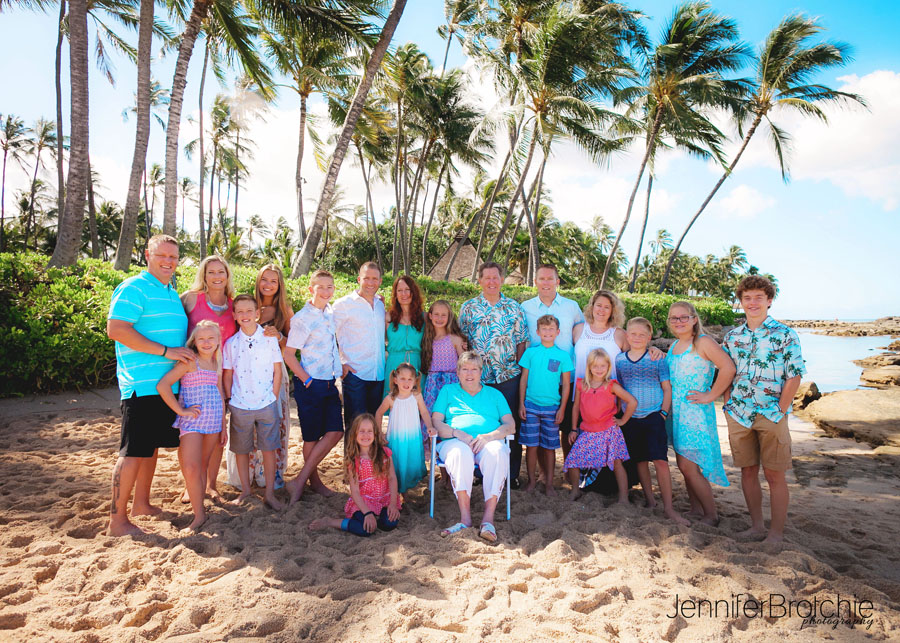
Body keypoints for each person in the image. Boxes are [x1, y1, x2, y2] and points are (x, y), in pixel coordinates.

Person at [106, 234, 192, 537]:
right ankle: (117, 521)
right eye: (162, 255)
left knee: (149, 447)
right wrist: (167, 352)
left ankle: (141, 504)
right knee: (132, 451)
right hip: (140, 385)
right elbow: (116, 329)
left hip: (166, 386)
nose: (168, 262)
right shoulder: (133, 287)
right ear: (147, 255)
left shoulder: (171, 292)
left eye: (173, 257)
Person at [723, 276, 805, 544]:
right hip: (738, 413)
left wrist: (781, 409)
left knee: (774, 474)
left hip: (772, 413)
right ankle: (757, 526)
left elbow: (794, 375)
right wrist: (727, 404)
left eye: (758, 297)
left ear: (769, 301)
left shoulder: (785, 334)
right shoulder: (732, 337)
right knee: (747, 471)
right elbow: (726, 372)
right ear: (741, 302)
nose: (752, 302)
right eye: (747, 298)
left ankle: (776, 533)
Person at [571, 289, 661, 490]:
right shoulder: (578, 330)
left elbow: (638, 351)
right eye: (598, 305)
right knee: (581, 442)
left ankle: (610, 488)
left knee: (612, 451)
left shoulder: (619, 334)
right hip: (582, 394)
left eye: (607, 307)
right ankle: (579, 483)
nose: (602, 310)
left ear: (613, 310)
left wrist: (653, 349)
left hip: (609, 398)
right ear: (591, 307)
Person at [431, 352, 516, 543]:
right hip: (455, 441)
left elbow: (510, 425)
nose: (469, 374)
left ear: (481, 372)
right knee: (460, 453)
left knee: (498, 452)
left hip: (488, 441)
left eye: (474, 369)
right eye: (465, 369)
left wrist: (489, 437)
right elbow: (436, 422)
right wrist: (457, 433)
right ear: (458, 372)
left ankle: (488, 520)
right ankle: (465, 519)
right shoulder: (448, 391)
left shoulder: (495, 394)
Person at [458, 262, 529, 489]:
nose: (491, 282)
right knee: (481, 424)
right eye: (486, 277)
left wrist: (518, 371)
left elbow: (521, 342)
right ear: (479, 280)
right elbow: (463, 342)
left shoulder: (514, 308)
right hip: (478, 380)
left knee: (510, 425)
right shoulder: (469, 308)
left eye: (495, 277)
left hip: (508, 376)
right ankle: (481, 472)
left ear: (501, 279)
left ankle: (511, 474)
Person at [666, 301, 736, 526]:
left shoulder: (703, 342)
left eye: (683, 317)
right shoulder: (674, 346)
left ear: (694, 319)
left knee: (689, 465)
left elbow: (728, 367)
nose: (678, 321)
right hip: (677, 413)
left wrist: (711, 395)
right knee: (685, 464)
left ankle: (711, 515)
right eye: (674, 318)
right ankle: (696, 509)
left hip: (695, 412)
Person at [615, 318, 688, 525]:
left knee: (660, 461)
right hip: (630, 418)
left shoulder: (657, 359)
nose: (637, 338)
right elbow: (619, 389)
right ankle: (650, 500)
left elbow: (667, 388)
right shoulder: (620, 360)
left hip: (654, 416)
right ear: (627, 336)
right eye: (633, 334)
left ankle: (668, 507)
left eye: (642, 335)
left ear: (649, 337)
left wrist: (663, 413)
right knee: (640, 461)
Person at [156, 320, 227, 532]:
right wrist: (180, 410)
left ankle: (200, 509)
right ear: (194, 341)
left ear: (218, 341)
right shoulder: (189, 362)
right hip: (192, 420)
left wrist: (223, 424)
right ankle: (199, 515)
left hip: (213, 419)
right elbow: (163, 385)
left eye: (211, 338)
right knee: (191, 467)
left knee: (203, 464)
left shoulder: (216, 362)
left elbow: (220, 393)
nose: (206, 342)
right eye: (201, 338)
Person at [283, 270, 344, 506]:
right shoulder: (302, 318)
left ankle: (300, 480)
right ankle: (314, 482)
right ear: (311, 289)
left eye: (330, 287)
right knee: (311, 437)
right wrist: (307, 380)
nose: (326, 291)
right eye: (321, 287)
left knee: (335, 432)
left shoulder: (330, 312)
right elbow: (289, 355)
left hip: (329, 382)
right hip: (311, 383)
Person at [180, 254, 236, 504]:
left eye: (220, 272)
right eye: (211, 272)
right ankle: (190, 485)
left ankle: (211, 484)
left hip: (222, 372)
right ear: (203, 275)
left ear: (227, 275)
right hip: (194, 372)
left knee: (217, 430)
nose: (216, 276)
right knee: (190, 431)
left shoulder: (233, 304)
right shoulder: (191, 299)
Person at [521, 263, 583, 481]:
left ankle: (568, 470)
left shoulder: (571, 306)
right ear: (535, 281)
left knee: (565, 427)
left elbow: (583, 332)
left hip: (566, 376)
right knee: (539, 429)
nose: (546, 282)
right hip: (538, 379)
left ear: (557, 281)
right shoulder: (525, 307)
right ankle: (544, 473)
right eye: (542, 278)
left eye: (550, 278)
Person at [223, 295, 284, 510]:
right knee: (241, 449)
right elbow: (228, 374)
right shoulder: (231, 343)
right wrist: (229, 399)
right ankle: (246, 491)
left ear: (257, 313)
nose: (245, 315)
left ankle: (269, 493)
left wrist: (273, 396)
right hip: (240, 404)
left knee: (269, 449)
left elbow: (278, 370)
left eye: (249, 311)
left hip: (267, 403)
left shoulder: (269, 338)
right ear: (234, 315)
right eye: (240, 311)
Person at [244, 264, 294, 491]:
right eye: (265, 279)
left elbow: (292, 346)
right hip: (247, 372)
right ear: (258, 281)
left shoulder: (284, 311)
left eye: (274, 281)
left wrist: (280, 336)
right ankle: (247, 475)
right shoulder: (247, 305)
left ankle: (270, 475)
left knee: (274, 422)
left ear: (279, 285)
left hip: (274, 372)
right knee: (248, 424)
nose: (268, 285)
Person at [308, 414, 401, 537]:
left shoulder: (384, 453)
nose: (366, 435)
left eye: (369, 431)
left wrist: (393, 504)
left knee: (389, 523)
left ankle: (377, 517)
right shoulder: (354, 460)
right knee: (365, 530)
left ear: (375, 434)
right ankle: (331, 522)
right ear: (355, 434)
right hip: (364, 501)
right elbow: (355, 491)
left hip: (384, 499)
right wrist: (367, 513)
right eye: (362, 431)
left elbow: (392, 478)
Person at [565, 348, 637, 502]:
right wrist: (573, 429)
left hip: (609, 431)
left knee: (616, 463)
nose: (599, 369)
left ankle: (623, 497)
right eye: (595, 366)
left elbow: (632, 401)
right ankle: (575, 490)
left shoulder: (611, 385)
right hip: (588, 430)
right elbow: (576, 407)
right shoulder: (581, 385)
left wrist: (623, 420)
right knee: (573, 460)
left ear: (608, 367)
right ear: (589, 367)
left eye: (602, 366)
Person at [517, 314, 573, 495]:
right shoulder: (530, 353)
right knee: (531, 446)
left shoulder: (562, 356)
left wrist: (562, 409)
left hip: (552, 408)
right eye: (544, 329)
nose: (547, 332)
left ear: (558, 332)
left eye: (551, 329)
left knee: (549, 447)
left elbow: (566, 385)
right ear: (538, 332)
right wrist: (521, 404)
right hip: (531, 406)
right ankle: (532, 481)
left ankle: (549, 483)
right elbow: (523, 380)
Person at [334, 262, 386, 429]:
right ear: (358, 279)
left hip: (378, 375)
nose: (371, 283)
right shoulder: (343, 304)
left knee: (372, 428)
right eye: (366, 278)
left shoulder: (380, 305)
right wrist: (339, 364)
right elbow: (326, 335)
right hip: (355, 375)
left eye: (375, 279)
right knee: (355, 427)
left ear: (380, 281)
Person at [375, 364, 435, 496]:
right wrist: (379, 433)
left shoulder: (416, 396)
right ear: (395, 380)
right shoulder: (391, 398)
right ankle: (397, 491)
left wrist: (430, 426)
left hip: (413, 437)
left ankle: (407, 490)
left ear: (415, 381)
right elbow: (378, 413)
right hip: (396, 439)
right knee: (397, 462)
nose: (406, 382)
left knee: (411, 460)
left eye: (410, 379)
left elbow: (424, 412)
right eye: (402, 378)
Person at [383, 275, 425, 398]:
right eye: (400, 290)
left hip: (416, 364)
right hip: (394, 365)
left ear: (413, 292)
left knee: (415, 401)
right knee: (392, 401)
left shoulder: (424, 318)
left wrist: (461, 342)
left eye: (407, 290)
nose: (404, 294)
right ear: (395, 294)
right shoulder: (388, 317)